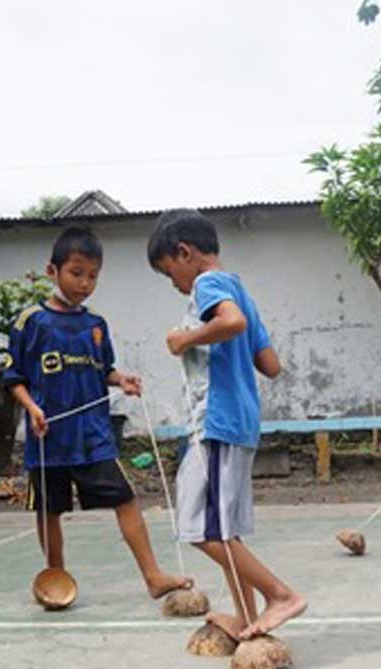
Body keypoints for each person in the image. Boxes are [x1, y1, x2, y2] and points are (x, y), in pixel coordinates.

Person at [4, 226, 193, 603]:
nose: (85, 284)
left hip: (93, 436)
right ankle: (55, 577)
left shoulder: (95, 325)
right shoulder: (31, 322)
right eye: (76, 273)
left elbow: (101, 370)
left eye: (93, 276)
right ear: (52, 271)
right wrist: (32, 408)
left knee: (125, 498)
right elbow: (14, 378)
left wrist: (120, 380)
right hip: (49, 440)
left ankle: (153, 576)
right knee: (49, 511)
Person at [147, 208, 304, 640]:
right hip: (241, 421)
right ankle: (247, 617)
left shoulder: (207, 284)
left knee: (197, 525)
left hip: (216, 421)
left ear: (185, 253)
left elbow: (231, 323)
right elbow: (271, 365)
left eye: (169, 273)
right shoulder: (240, 290)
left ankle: (280, 595)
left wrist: (185, 339)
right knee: (223, 529)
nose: (175, 284)